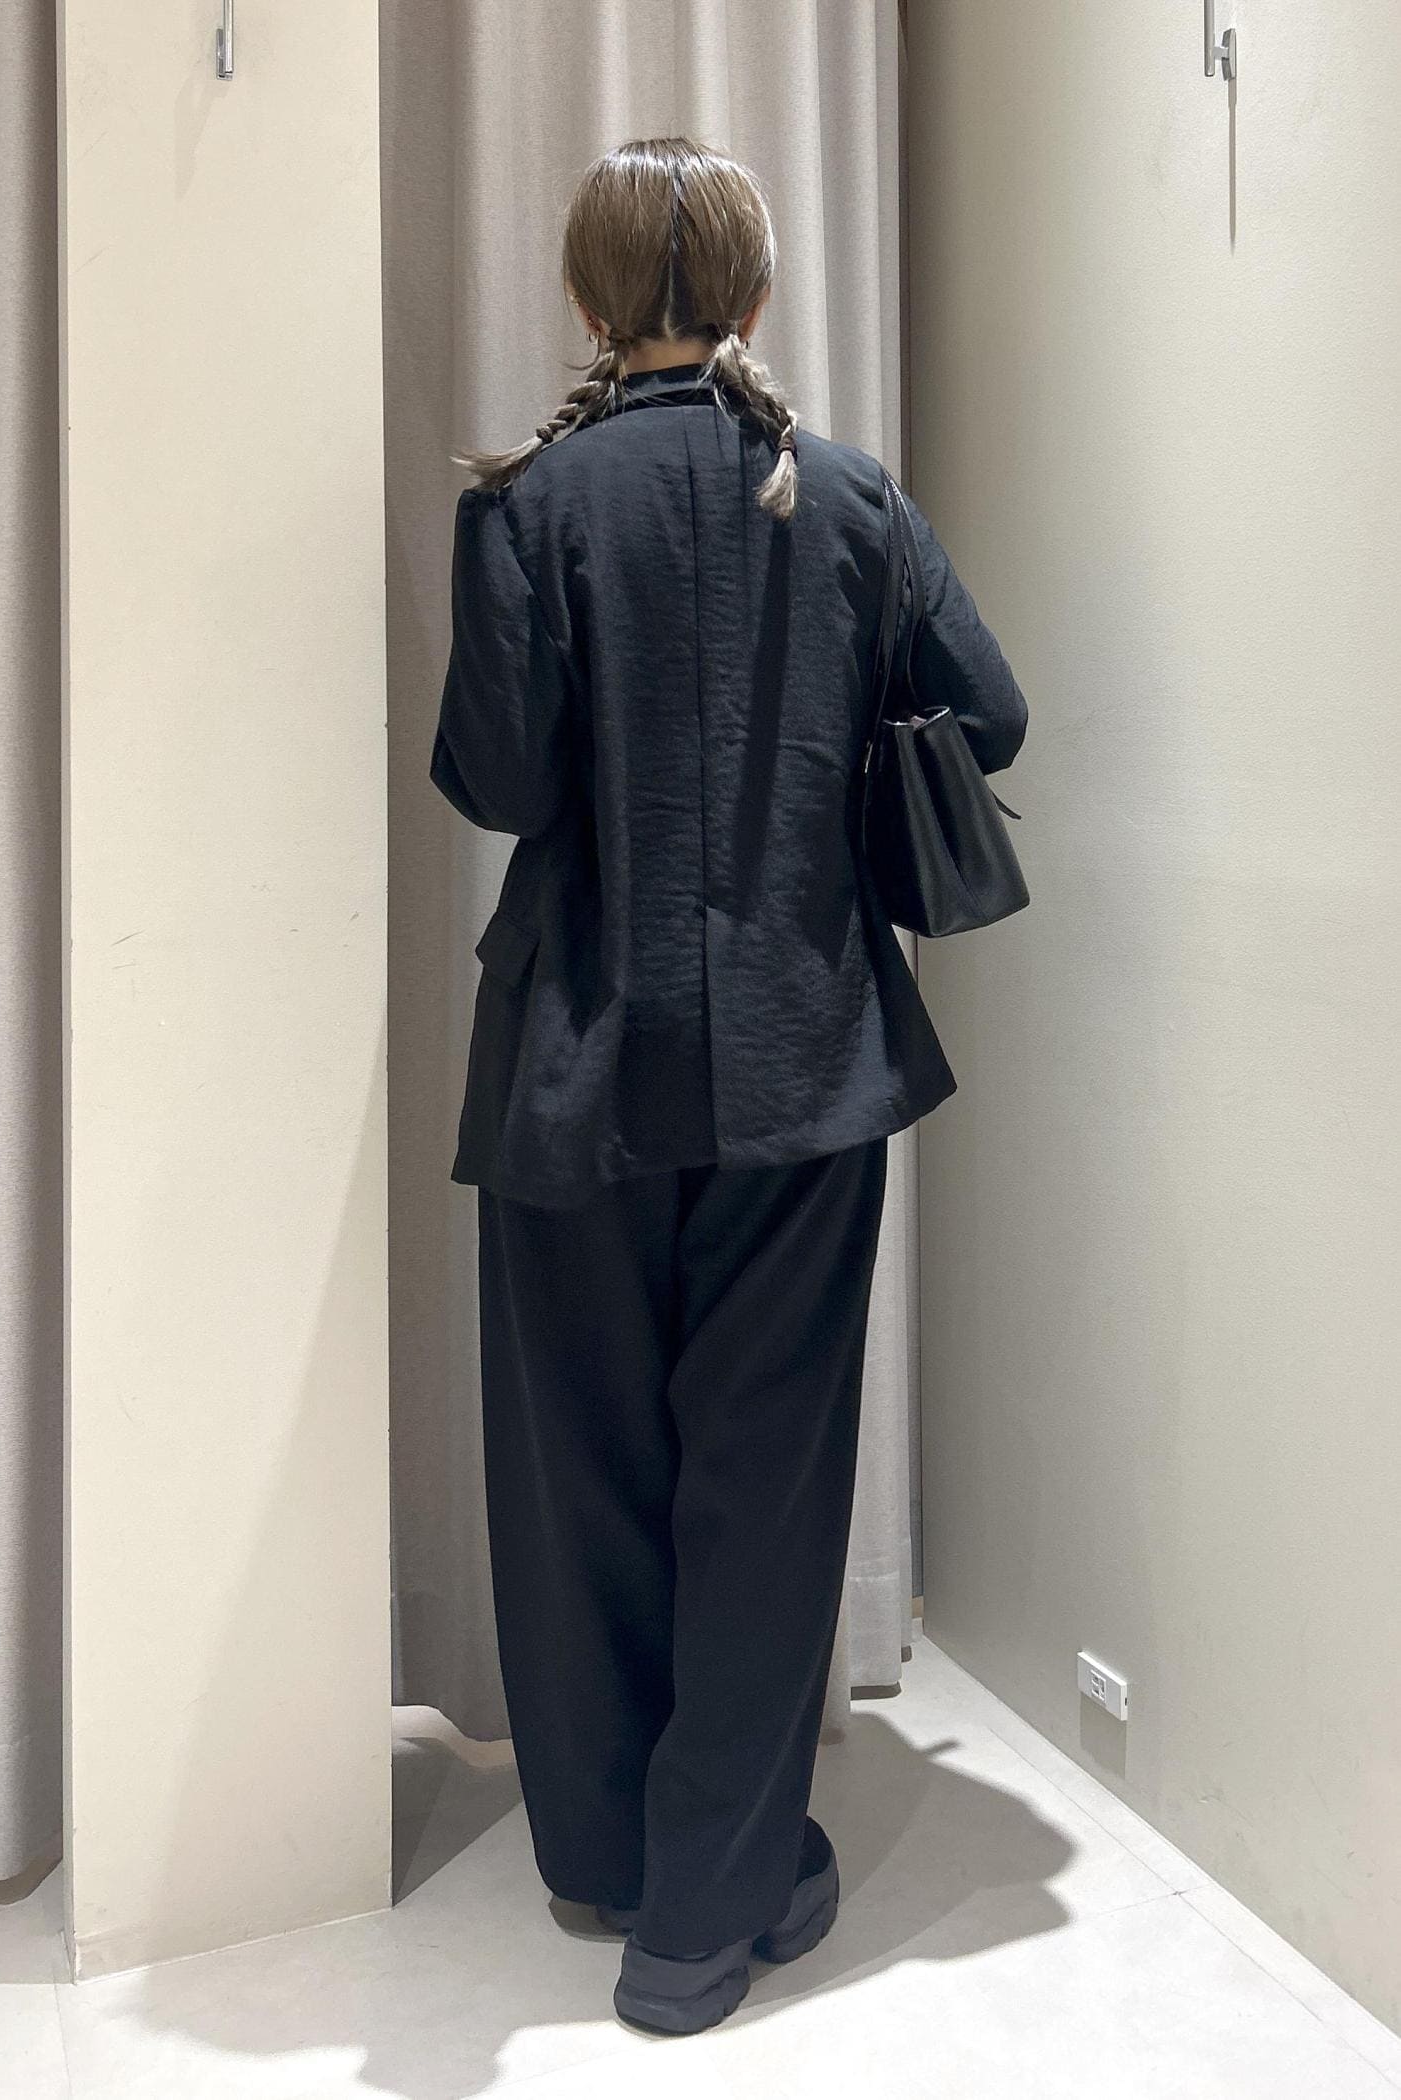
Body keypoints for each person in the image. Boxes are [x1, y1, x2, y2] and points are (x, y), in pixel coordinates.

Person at [429, 136, 1027, 2036]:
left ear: (587, 298)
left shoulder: (524, 509)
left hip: (573, 1065)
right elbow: (994, 713)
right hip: (801, 1060)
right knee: (764, 1483)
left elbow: (499, 782)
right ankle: (707, 1913)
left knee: (584, 1469)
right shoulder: (847, 497)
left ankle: (611, 1856)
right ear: (757, 295)